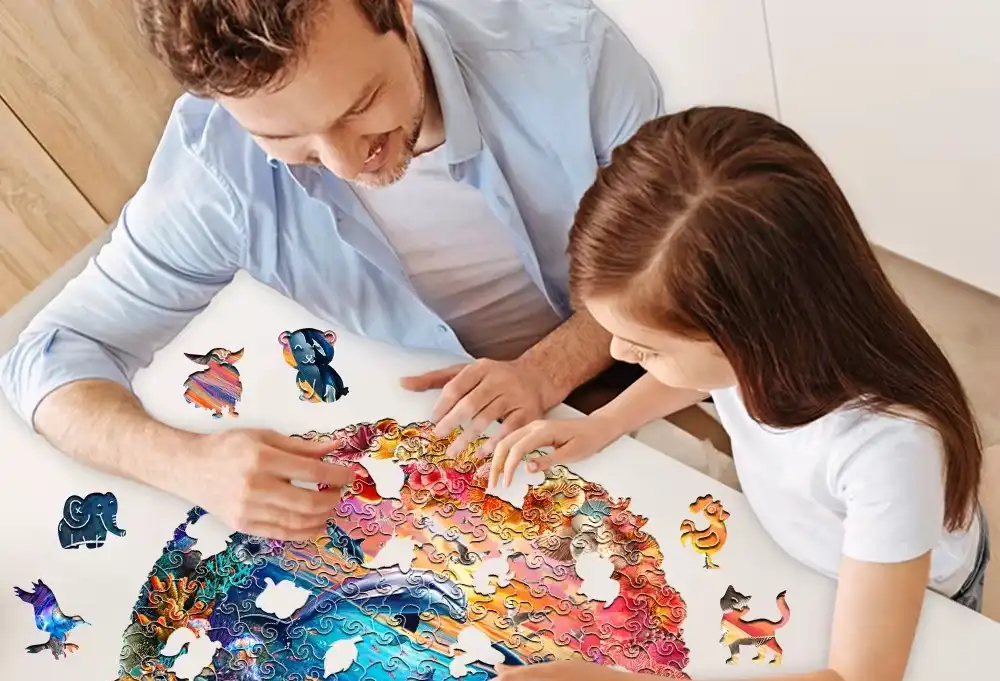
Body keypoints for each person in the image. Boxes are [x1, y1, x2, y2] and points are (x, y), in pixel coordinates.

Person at [0, 0, 660, 540]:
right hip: (438, 462)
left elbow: (681, 273)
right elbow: (47, 357)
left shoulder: (574, 58)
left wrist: (546, 370)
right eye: (285, 139)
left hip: (643, 379)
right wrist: (190, 464)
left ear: (400, 10)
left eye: (360, 105)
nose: (346, 164)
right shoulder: (216, 170)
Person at [468, 106, 987, 681]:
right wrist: (604, 423)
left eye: (645, 347)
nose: (621, 356)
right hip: (813, 551)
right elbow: (701, 374)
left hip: (924, 596)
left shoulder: (888, 451)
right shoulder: (778, 347)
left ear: (751, 339)